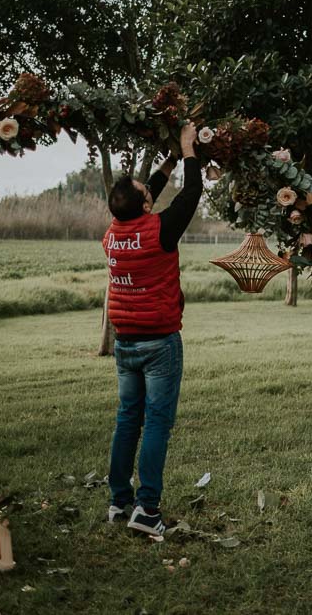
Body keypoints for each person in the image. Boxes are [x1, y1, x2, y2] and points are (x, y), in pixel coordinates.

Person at [102, 122, 202, 536]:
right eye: (147, 191)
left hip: (126, 343)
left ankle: (119, 502)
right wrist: (188, 150)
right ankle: (147, 510)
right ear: (145, 205)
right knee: (157, 422)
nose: (151, 191)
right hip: (160, 343)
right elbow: (191, 194)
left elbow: (146, 197)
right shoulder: (159, 232)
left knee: (128, 420)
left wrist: (171, 160)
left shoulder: (112, 235)